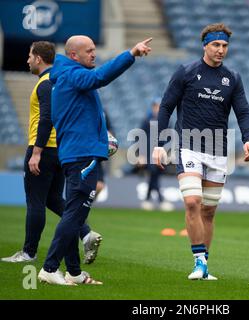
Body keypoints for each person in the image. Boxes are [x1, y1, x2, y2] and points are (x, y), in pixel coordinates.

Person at [37, 35, 152, 285]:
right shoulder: (72, 75)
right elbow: (99, 77)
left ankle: (75, 273)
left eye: (94, 49)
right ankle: (49, 267)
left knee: (72, 214)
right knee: (75, 215)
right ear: (73, 55)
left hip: (78, 153)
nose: (94, 54)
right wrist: (130, 54)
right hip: (82, 156)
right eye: (88, 51)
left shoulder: (65, 76)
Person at [152, 23, 249, 280]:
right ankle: (198, 262)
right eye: (216, 45)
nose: (221, 50)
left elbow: (243, 111)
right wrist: (157, 144)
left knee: (209, 211)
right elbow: (165, 107)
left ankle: (205, 266)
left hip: (219, 152)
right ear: (205, 46)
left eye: (224, 46)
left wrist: (248, 139)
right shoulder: (186, 72)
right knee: (192, 202)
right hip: (189, 148)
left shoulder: (232, 78)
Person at [1, 41, 101, 265]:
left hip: (43, 148)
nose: (27, 60)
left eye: (29, 55)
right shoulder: (56, 80)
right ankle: (85, 233)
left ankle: (29, 252)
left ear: (38, 58)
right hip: (60, 149)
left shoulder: (46, 82)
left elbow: (46, 117)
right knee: (53, 198)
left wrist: (36, 152)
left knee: (35, 201)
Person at [140, 97, 174, 211]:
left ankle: (147, 199)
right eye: (155, 106)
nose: (157, 109)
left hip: (161, 152)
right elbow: (140, 138)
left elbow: (170, 138)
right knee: (153, 173)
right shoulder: (147, 120)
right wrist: (141, 154)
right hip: (149, 152)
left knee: (155, 175)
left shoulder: (167, 121)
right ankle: (161, 200)